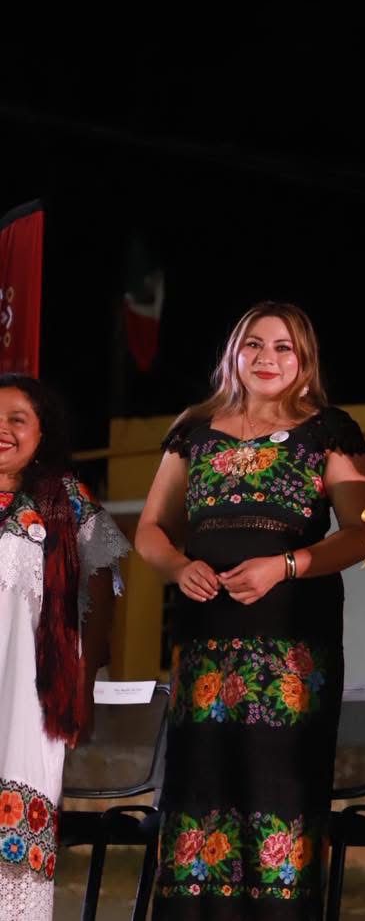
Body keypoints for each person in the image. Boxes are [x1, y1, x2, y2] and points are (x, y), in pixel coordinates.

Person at [135, 302, 365, 918]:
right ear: (234, 354)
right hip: (204, 647)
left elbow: (364, 533)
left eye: (283, 347)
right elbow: (151, 530)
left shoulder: (329, 430)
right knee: (199, 786)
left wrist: (285, 565)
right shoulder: (194, 429)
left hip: (292, 652)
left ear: (304, 360)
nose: (267, 358)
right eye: (254, 345)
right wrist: (178, 567)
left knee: (281, 788)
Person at [0, 375, 126, 921]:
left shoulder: (65, 498)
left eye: (17, 419)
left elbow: (104, 582)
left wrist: (83, 678)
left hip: (29, 701)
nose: (3, 429)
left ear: (42, 432)